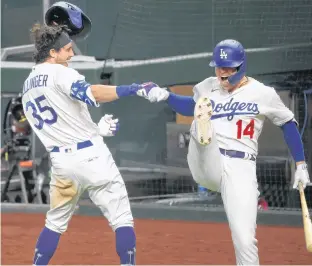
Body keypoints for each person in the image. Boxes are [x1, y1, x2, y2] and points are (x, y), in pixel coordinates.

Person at [136, 39, 311, 265]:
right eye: (219, 67)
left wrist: (301, 165)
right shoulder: (207, 86)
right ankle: (203, 130)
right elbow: (190, 106)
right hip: (208, 159)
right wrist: (167, 96)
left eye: (229, 68)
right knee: (201, 123)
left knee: (246, 241)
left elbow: (287, 123)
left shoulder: (262, 93)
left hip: (241, 168)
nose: (223, 73)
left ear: (241, 67)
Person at [22, 23, 153, 266]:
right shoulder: (61, 73)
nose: (71, 54)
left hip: (62, 165)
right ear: (53, 53)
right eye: (67, 49)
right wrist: (132, 89)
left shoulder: (27, 85)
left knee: (54, 224)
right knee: (122, 219)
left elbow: (63, 121)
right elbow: (92, 93)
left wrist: (96, 130)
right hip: (92, 158)